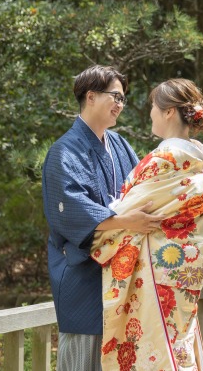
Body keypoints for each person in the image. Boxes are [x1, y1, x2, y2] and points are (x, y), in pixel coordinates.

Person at [91, 78, 203, 371]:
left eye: (153, 105)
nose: (150, 111)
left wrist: (96, 232)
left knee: (152, 346)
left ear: (168, 112)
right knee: (178, 342)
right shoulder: (197, 166)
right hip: (182, 271)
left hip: (153, 273)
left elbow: (122, 212)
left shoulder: (161, 160)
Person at [42, 65, 164, 371]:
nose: (120, 105)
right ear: (91, 96)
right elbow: (71, 208)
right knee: (84, 352)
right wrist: (126, 220)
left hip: (121, 269)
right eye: (115, 96)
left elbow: (143, 187)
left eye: (123, 99)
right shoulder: (63, 151)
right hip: (84, 271)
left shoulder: (120, 145)